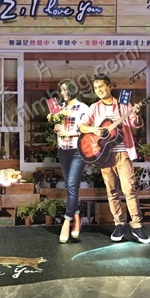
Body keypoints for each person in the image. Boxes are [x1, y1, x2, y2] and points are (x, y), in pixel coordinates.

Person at [79, 74, 150, 243]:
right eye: (96, 88)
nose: (99, 90)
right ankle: (119, 224)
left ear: (109, 86)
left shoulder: (123, 105)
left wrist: (138, 115)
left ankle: (137, 225)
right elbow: (81, 126)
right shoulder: (94, 108)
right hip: (103, 155)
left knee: (129, 189)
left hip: (123, 152)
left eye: (101, 86)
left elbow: (135, 123)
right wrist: (94, 130)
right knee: (112, 191)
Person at [48, 79, 89, 243]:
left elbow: (86, 131)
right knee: (70, 186)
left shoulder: (83, 108)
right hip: (63, 150)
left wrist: (68, 133)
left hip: (78, 150)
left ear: (73, 90)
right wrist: (57, 128)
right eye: (61, 90)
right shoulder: (59, 108)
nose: (63, 93)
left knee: (72, 184)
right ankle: (77, 218)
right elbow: (58, 128)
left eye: (66, 90)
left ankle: (66, 221)